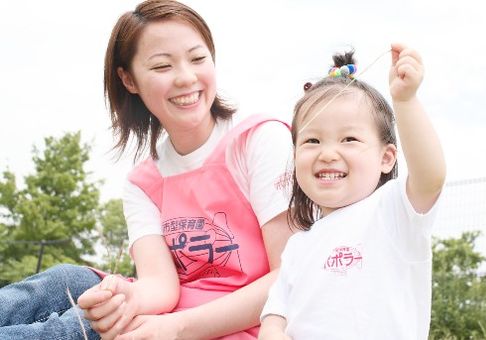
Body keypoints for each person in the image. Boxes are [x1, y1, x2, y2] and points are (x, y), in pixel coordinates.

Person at [0, 1, 294, 339]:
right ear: (128, 79)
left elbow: (289, 278)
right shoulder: (143, 182)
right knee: (66, 281)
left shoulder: (259, 141)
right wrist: (124, 297)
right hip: (168, 315)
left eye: (198, 59)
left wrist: (176, 327)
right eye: (162, 66)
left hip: (236, 321)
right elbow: (160, 286)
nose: (186, 77)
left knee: (78, 328)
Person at [258, 44, 446, 340]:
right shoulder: (298, 246)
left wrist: (406, 101)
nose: (328, 153)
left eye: (349, 138)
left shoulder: (394, 211)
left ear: (386, 158)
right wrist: (273, 332)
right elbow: (275, 315)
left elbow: (431, 177)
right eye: (312, 141)